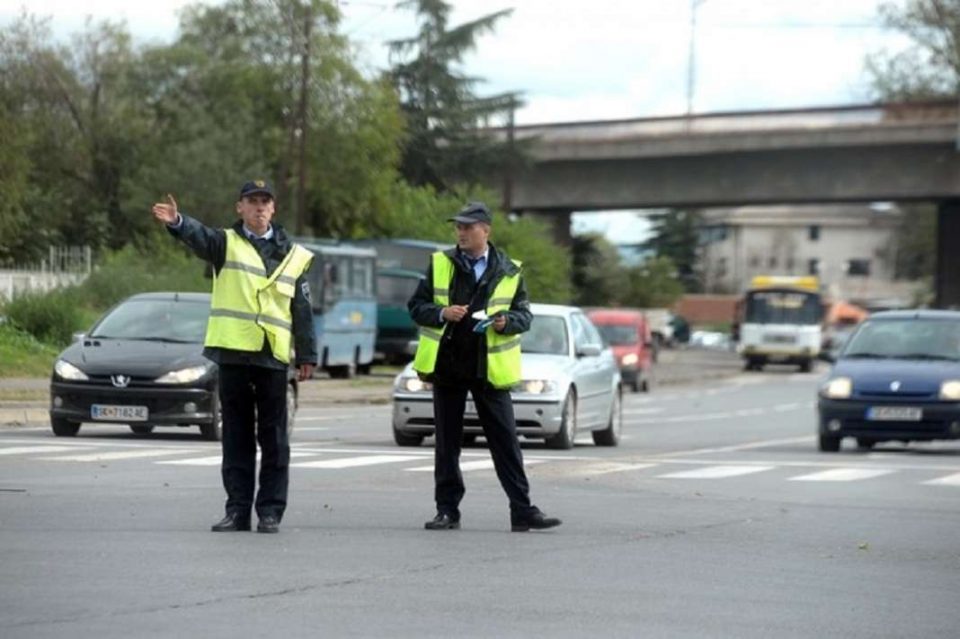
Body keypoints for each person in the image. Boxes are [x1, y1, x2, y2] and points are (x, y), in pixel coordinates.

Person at [151, 180, 317, 534]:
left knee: (274, 440)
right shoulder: (225, 243)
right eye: (252, 202)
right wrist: (178, 222)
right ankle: (237, 510)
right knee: (236, 438)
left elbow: (301, 308)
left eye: (265, 202)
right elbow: (200, 237)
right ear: (239, 208)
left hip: (272, 356)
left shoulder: (293, 254)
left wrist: (307, 354)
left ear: (273, 209)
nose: (259, 208)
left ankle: (270, 511)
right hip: (233, 354)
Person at [407, 201, 561, 532]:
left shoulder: (510, 269)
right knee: (447, 444)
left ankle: (522, 509)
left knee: (506, 442)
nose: (460, 232)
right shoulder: (440, 264)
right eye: (458, 227)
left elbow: (525, 314)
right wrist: (441, 313)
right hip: (448, 364)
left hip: (488, 367)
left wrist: (507, 322)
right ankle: (447, 510)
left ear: (485, 231)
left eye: (467, 227)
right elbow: (416, 306)